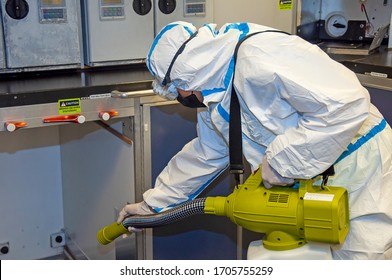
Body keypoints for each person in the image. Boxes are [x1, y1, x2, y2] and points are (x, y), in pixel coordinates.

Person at [117, 21, 392, 260]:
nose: (183, 96)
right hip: (315, 182)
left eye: (178, 90)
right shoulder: (216, 90)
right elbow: (206, 153)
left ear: (185, 80)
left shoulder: (259, 58)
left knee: (361, 260)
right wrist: (153, 204)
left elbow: (347, 104)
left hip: (359, 167)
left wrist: (283, 162)